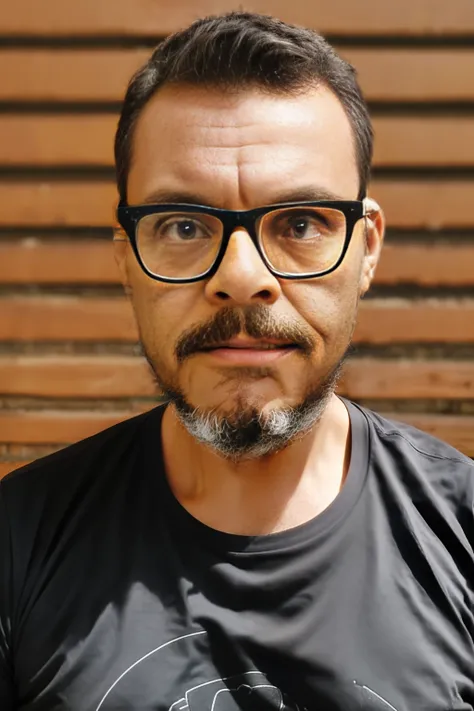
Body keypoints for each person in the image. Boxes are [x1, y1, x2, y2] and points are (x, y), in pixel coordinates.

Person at [1, 11, 473, 711]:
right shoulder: (18, 543)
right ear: (127, 253)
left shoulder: (461, 534)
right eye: (185, 226)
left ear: (367, 249)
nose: (242, 275)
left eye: (302, 222)